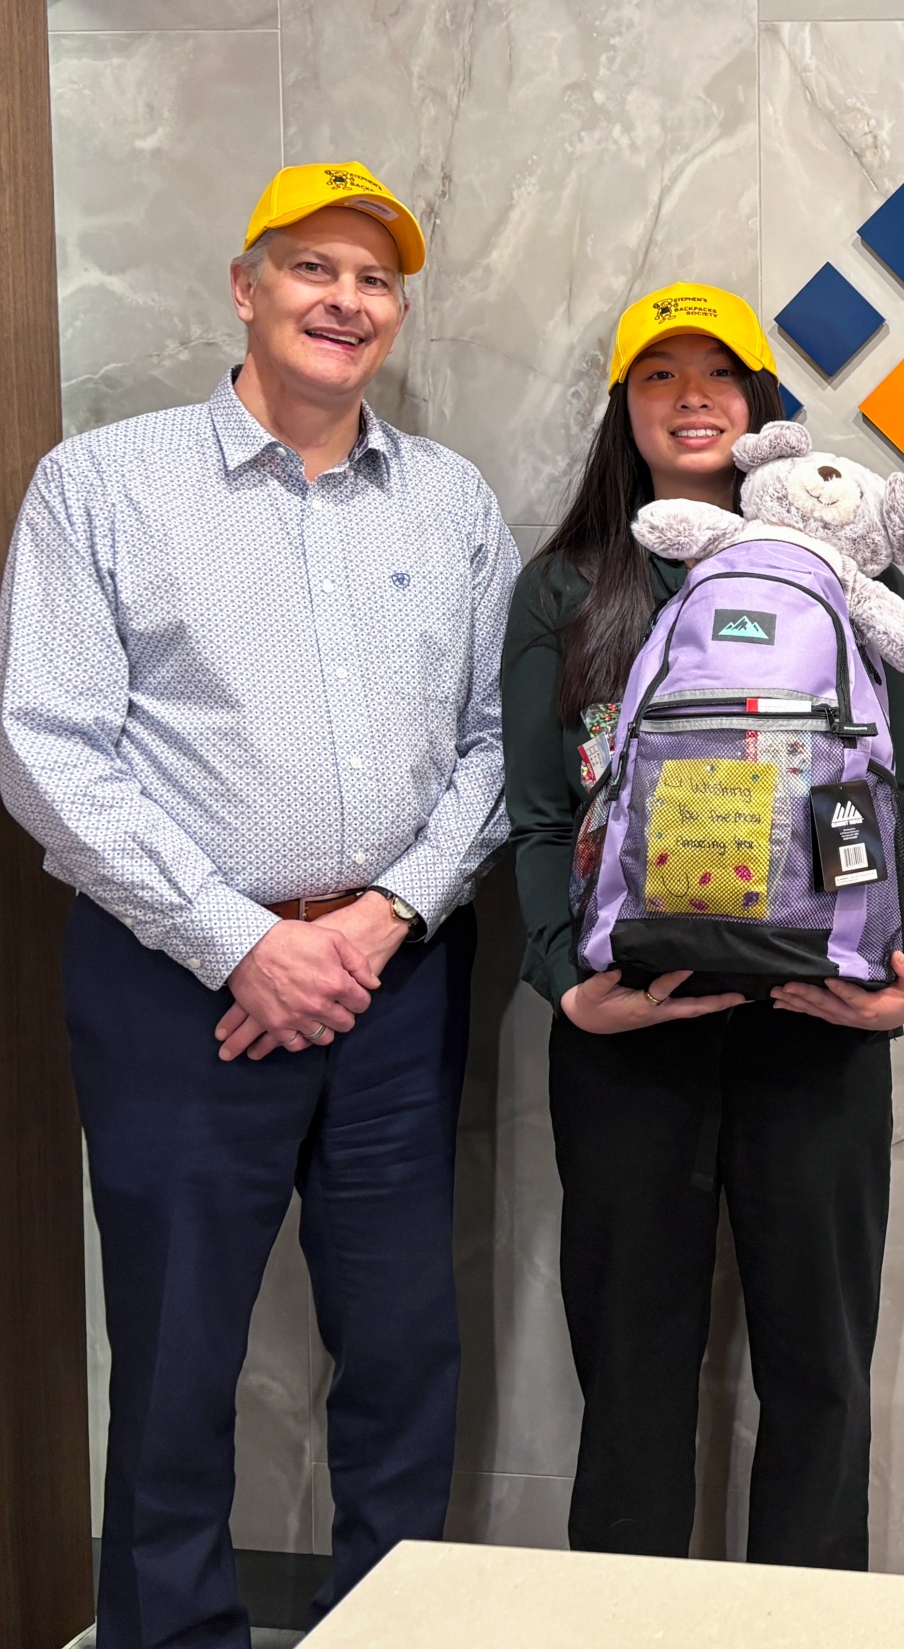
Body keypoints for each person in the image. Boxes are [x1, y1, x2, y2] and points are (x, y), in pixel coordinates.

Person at [0, 163, 515, 1647]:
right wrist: (242, 942)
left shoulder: (451, 499)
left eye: (375, 280)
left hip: (392, 981)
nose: (345, 302)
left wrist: (382, 919)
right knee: (170, 1361)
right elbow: (47, 748)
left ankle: (394, 1629)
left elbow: (496, 748)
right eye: (313, 269)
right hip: (175, 988)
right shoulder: (104, 484)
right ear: (246, 287)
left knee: (407, 1352)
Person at [500, 283, 904, 1567]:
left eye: (721, 374)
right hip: (629, 1033)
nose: (691, 396)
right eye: (657, 375)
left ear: (760, 410)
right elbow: (533, 815)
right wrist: (561, 983)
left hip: (819, 1025)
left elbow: (902, 794)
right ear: (623, 410)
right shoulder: (565, 587)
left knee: (820, 1380)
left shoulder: (853, 574)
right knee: (631, 1384)